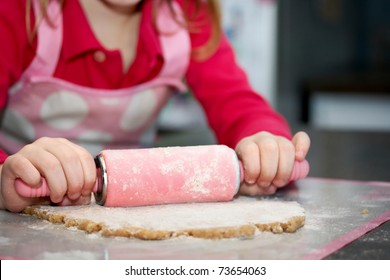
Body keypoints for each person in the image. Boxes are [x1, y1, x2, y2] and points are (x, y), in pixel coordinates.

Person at [0, 0, 310, 212]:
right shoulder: (21, 12)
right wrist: (5, 178)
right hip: (34, 201)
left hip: (131, 206)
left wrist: (264, 143)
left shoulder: (184, 14)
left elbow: (236, 101)